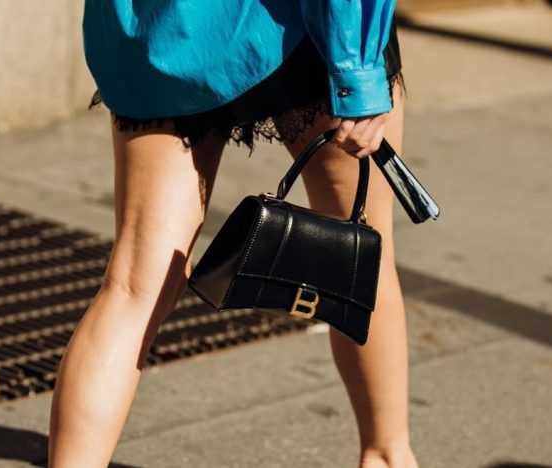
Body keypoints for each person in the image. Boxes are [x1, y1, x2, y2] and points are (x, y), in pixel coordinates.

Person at [48, 1, 419, 467]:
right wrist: (360, 73)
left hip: (165, 36)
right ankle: (387, 457)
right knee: (361, 261)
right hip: (306, 32)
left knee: (134, 287)